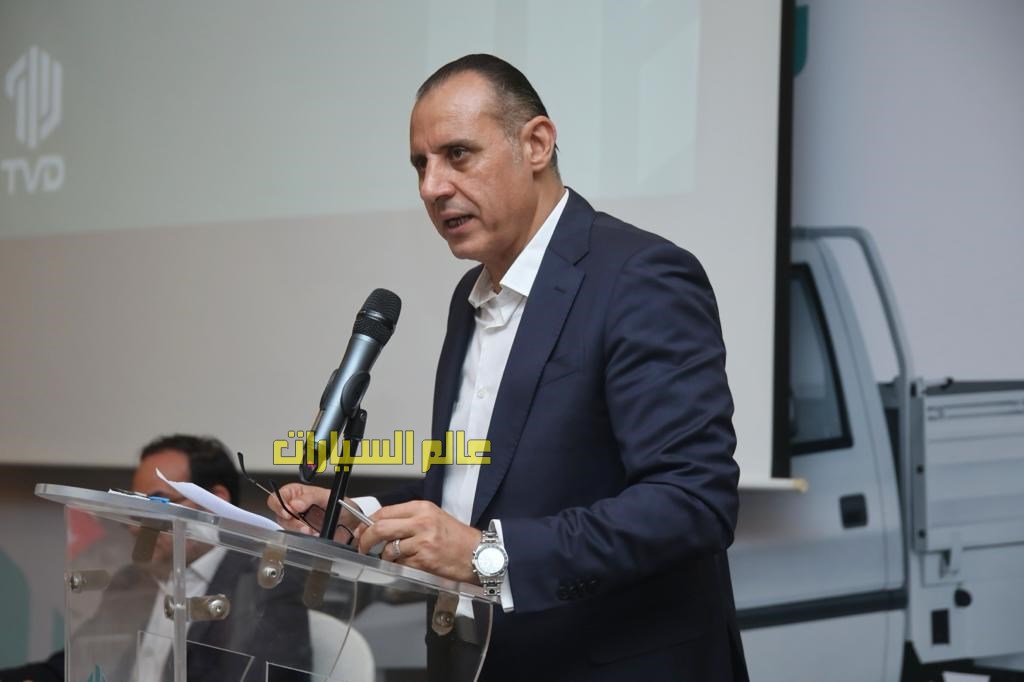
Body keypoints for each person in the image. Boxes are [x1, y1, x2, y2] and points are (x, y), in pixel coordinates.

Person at [271, 54, 747, 682]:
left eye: (457, 155)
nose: (432, 187)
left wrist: (488, 557)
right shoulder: (469, 298)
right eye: (420, 165)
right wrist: (360, 518)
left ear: (537, 144)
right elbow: (477, 492)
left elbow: (693, 502)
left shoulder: (640, 277)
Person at [1, 435, 312, 682]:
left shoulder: (263, 586)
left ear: (214, 503)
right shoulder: (133, 581)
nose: (137, 525)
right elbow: (78, 661)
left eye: (157, 504)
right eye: (135, 508)